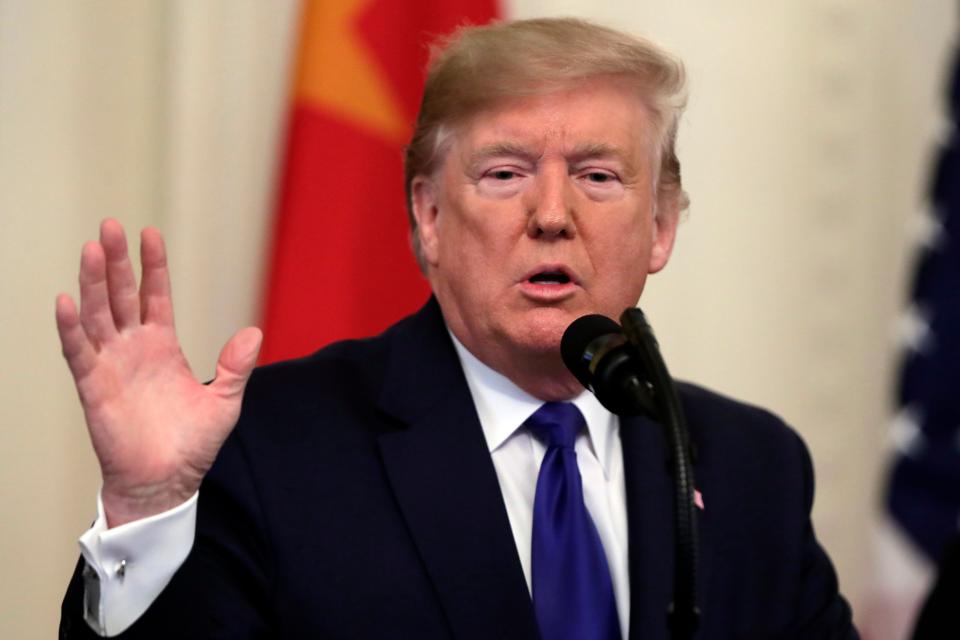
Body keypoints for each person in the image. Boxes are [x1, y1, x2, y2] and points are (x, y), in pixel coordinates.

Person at [58, 17, 859, 639]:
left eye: (598, 176)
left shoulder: (752, 466)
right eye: (504, 174)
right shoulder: (270, 448)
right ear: (430, 218)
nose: (552, 215)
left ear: (660, 227)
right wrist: (148, 512)